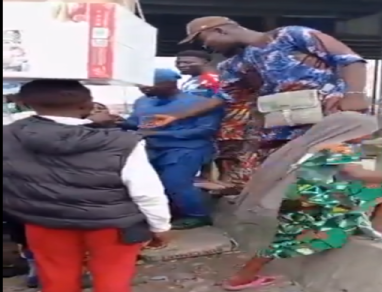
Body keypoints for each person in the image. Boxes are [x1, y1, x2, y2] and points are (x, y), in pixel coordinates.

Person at [143, 16, 369, 191]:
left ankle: (375, 209)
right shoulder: (235, 65)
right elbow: (223, 97)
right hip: (285, 123)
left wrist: (355, 94)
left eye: (204, 41)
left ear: (219, 30)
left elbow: (349, 60)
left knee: (339, 169)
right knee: (290, 176)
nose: (207, 48)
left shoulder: (290, 36)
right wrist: (177, 116)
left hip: (330, 115)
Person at [3, 79, 171, 292]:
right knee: (113, 278)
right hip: (112, 224)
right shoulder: (121, 142)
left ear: (24, 103)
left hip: (44, 221)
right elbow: (145, 190)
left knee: (56, 279)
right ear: (88, 105)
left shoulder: (9, 135)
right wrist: (160, 225)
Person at [214, 112, 382, 291]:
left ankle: (242, 277)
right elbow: (357, 174)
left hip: (294, 199)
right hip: (319, 202)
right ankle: (378, 228)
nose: (371, 135)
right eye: (368, 131)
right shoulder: (339, 147)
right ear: (353, 130)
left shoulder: (304, 144)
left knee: (284, 239)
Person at [124, 68, 224, 230]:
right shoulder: (142, 101)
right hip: (151, 148)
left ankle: (197, 215)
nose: (143, 88)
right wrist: (116, 122)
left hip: (187, 149)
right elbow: (134, 123)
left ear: (170, 83)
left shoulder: (200, 103)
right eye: (140, 85)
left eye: (149, 84)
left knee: (175, 183)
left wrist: (158, 133)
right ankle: (171, 212)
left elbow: (206, 130)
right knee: (151, 185)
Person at [176, 50, 234, 191]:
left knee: (221, 154)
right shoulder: (193, 79)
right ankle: (208, 177)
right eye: (179, 62)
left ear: (205, 62)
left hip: (214, 122)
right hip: (197, 122)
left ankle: (225, 183)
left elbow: (221, 100)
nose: (182, 65)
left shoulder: (211, 78)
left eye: (188, 62)